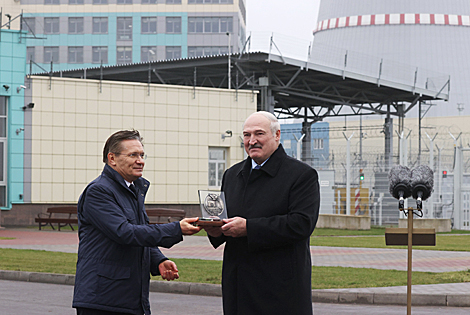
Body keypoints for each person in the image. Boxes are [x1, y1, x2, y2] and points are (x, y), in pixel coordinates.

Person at [72, 130, 201, 315]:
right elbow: (125, 233)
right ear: (112, 159)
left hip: (128, 298)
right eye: (133, 155)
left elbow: (140, 232)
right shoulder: (98, 191)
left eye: (142, 155)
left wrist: (158, 260)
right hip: (103, 300)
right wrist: (176, 228)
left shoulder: (132, 189)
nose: (140, 160)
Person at [203, 111, 320, 315]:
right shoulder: (232, 175)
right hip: (239, 286)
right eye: (247, 135)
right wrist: (215, 230)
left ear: (277, 135)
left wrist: (249, 228)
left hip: (280, 289)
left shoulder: (301, 175)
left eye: (259, 134)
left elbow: (301, 224)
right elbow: (226, 219)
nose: (252, 141)